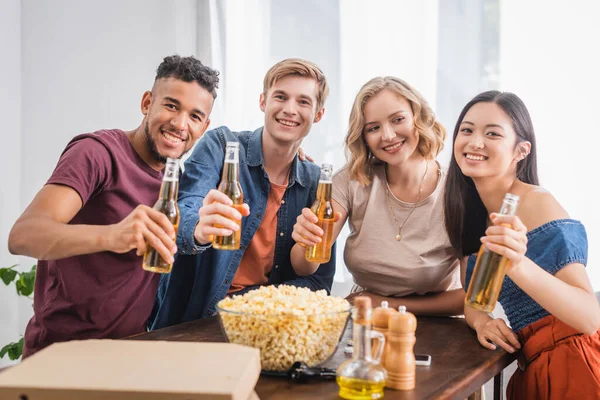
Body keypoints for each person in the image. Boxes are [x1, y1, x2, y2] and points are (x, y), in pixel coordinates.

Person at [8, 55, 219, 357]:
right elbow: (23, 236)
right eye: (171, 105)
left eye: (194, 116)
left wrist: (293, 155)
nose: (180, 123)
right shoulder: (97, 154)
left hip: (130, 352)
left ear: (204, 126)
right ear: (147, 103)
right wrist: (112, 236)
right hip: (61, 356)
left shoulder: (175, 180)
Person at [150, 58, 335, 329]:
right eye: (280, 97)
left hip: (261, 326)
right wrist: (200, 228)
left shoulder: (315, 182)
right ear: (263, 102)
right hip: (193, 324)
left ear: (318, 114)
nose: (289, 109)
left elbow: (319, 282)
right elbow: (183, 211)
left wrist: (251, 306)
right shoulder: (222, 147)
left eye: (303, 102)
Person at [444, 90, 600, 399]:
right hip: (532, 368)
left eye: (492, 134)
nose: (475, 142)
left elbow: (588, 316)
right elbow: (474, 299)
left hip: (576, 363)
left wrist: (517, 264)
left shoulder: (536, 203)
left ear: (521, 151)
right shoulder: (470, 214)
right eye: (467, 130)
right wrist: (481, 322)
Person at [291, 76, 462, 315]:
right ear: (364, 138)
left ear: (418, 117)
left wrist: (386, 305)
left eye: (398, 119)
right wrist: (305, 240)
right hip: (366, 320)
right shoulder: (351, 181)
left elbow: (470, 298)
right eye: (374, 128)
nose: (388, 136)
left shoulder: (457, 189)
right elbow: (304, 267)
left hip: (439, 326)